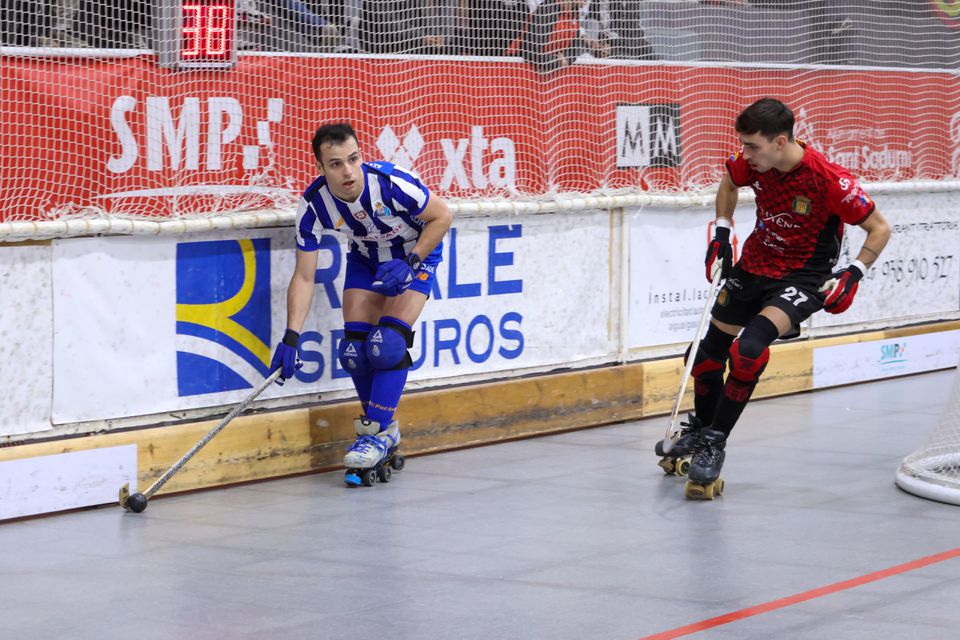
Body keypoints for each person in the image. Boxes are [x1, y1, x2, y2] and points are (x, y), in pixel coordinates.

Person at [658, 98, 891, 497]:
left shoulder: (829, 180)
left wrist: (855, 273)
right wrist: (721, 234)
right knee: (703, 357)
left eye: (753, 147)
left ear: (780, 142)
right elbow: (729, 183)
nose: (745, 155)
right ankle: (701, 428)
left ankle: (715, 442)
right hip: (753, 267)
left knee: (747, 351)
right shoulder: (753, 164)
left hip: (802, 277)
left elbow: (880, 228)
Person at [271, 123, 453, 486]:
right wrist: (291, 336)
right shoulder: (312, 206)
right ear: (321, 167)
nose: (348, 171)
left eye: (353, 159)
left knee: (386, 346)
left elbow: (442, 216)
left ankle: (373, 432)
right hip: (366, 259)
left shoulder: (390, 184)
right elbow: (304, 277)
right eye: (336, 164)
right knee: (354, 352)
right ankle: (384, 431)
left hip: (413, 256)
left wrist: (413, 261)